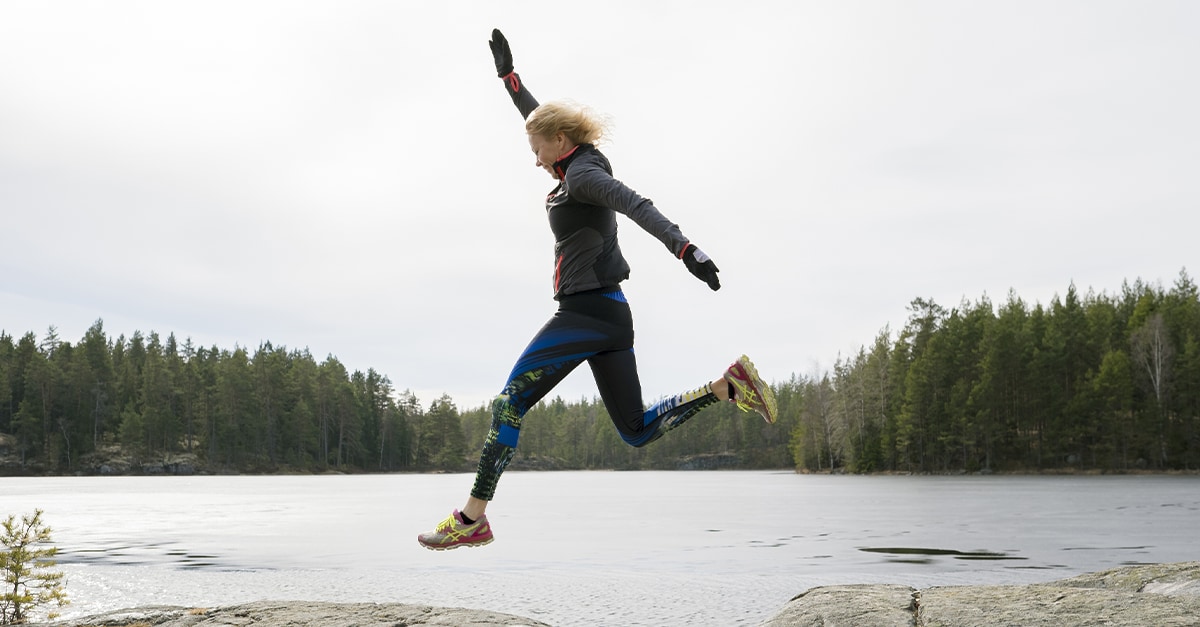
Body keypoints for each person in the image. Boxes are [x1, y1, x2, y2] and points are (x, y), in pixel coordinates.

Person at [417, 29, 777, 551]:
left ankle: (472, 517)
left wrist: (687, 250)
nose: (534, 157)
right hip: (611, 316)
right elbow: (535, 116)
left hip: (584, 314)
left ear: (560, 142)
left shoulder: (584, 175)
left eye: (537, 148)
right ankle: (726, 387)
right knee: (635, 430)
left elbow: (637, 205)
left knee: (509, 403)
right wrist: (509, 79)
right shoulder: (571, 159)